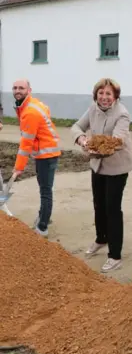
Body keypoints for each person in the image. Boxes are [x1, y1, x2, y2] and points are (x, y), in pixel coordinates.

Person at [72, 78, 132, 273]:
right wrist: (82, 140)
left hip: (117, 167)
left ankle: (115, 255)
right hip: (97, 165)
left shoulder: (122, 114)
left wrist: (94, 144)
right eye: (101, 93)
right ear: (96, 95)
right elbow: (76, 127)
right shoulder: (93, 109)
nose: (104, 97)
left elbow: (117, 140)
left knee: (112, 209)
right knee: (98, 204)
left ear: (115, 96)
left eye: (108, 94)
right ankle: (101, 239)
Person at [12, 79, 61, 237]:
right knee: (45, 189)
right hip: (46, 152)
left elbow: (26, 143)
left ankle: (42, 227)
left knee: (45, 191)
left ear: (29, 90)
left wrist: (18, 168)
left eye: (21, 88)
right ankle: (43, 215)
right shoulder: (32, 104)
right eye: (15, 88)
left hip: (46, 155)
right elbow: (46, 110)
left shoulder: (29, 112)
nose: (17, 90)